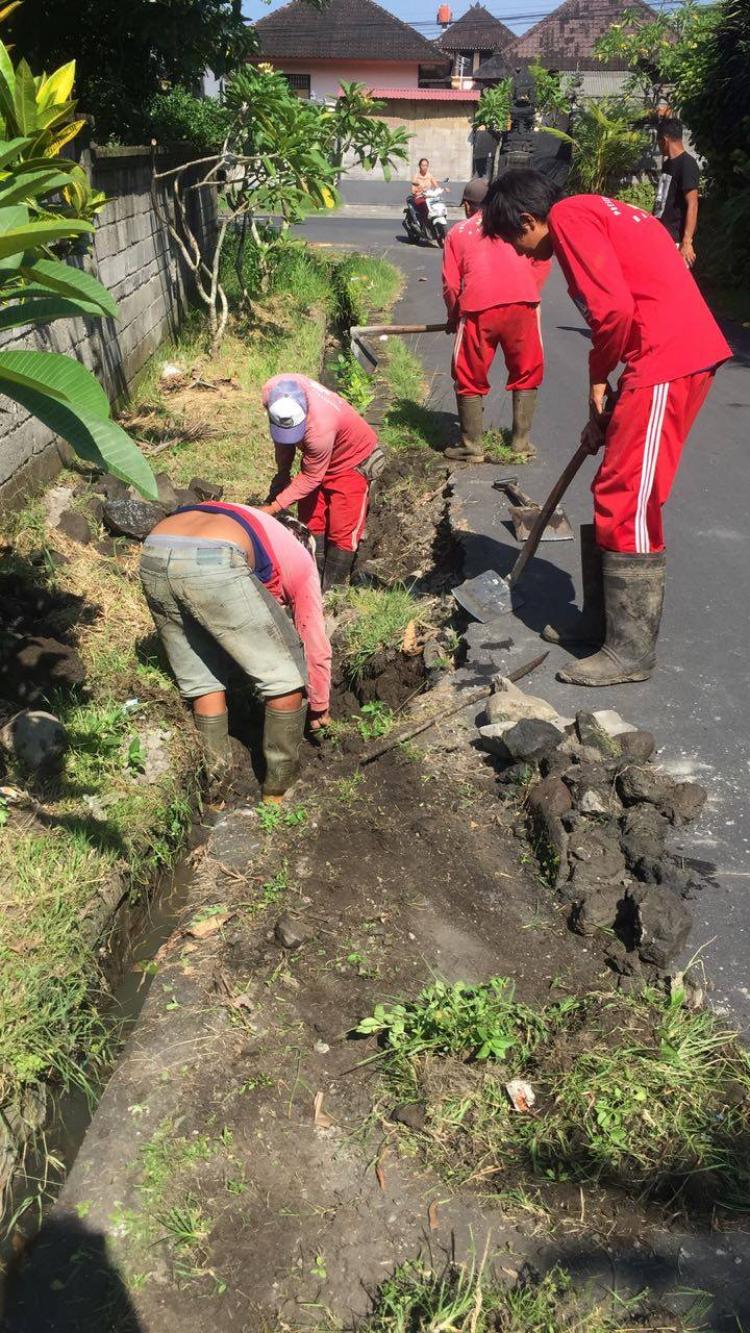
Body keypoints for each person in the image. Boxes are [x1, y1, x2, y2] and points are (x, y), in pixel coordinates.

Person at [482, 168, 731, 686]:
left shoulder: (571, 219)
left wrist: (598, 377)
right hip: (658, 359)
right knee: (614, 485)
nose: (525, 255)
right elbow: (633, 300)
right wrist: (611, 396)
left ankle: (630, 651)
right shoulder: (599, 209)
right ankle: (601, 626)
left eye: (518, 241)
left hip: (668, 358)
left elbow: (613, 310)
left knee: (631, 497)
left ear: (529, 219)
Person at [139, 500, 331, 803]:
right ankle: (279, 790)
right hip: (213, 556)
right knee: (285, 676)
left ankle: (217, 792)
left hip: (154, 549)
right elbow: (313, 639)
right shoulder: (301, 559)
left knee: (204, 680)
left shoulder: (249, 519)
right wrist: (319, 705)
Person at [441, 176, 550, 461]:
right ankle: (521, 444)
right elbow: (541, 259)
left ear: (468, 206)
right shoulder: (514, 223)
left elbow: (452, 285)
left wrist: (454, 316)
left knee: (468, 375)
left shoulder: (459, 231)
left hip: (478, 307)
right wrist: (528, 290)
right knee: (527, 370)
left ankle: (471, 447)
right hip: (524, 303)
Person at [260, 374, 384, 588]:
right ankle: (312, 578)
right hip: (317, 459)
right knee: (310, 518)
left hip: (350, 462)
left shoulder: (320, 427)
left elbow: (310, 477)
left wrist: (273, 507)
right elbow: (283, 443)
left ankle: (333, 586)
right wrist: (282, 474)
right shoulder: (273, 390)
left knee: (342, 528)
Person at [654, 117, 700, 268]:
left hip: (676, 240)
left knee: (677, 287)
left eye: (658, 142)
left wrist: (687, 242)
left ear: (665, 140)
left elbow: (693, 204)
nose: (659, 147)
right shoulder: (667, 165)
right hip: (662, 235)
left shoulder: (687, 164)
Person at [410, 156, 439, 228]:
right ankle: (423, 225)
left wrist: (441, 189)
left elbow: (436, 186)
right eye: (423, 165)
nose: (424, 167)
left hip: (428, 196)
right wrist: (419, 191)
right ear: (419, 166)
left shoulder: (430, 176)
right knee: (424, 206)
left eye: (426, 165)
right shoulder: (416, 176)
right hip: (419, 197)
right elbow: (413, 190)